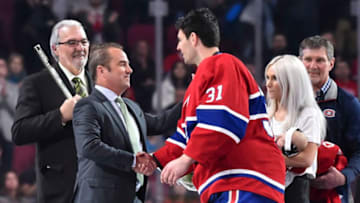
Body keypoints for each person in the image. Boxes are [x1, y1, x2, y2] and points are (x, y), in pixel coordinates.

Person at [152, 8, 286, 203]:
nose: (178, 48)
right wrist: (154, 160)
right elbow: (185, 138)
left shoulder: (221, 64)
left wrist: (186, 159)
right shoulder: (198, 84)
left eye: (180, 40)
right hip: (232, 182)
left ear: (194, 38)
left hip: (242, 179)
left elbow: (223, 122)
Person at [72, 42, 181, 203]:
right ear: (101, 71)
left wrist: (192, 96)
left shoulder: (131, 107)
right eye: (122, 65)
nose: (130, 70)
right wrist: (134, 161)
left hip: (132, 197)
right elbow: (89, 146)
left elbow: (160, 123)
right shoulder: (88, 106)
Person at [11, 19, 93, 203]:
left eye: (84, 42)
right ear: (55, 49)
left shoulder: (100, 83)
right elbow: (20, 131)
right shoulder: (36, 84)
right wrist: (60, 116)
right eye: (72, 42)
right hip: (61, 190)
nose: (80, 48)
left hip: (100, 189)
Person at [299, 35, 360, 203]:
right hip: (295, 192)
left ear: (331, 63)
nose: (313, 66)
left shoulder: (348, 103)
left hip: (335, 195)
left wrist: (343, 177)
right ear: (299, 62)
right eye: (308, 59)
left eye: (320, 60)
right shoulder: (288, 101)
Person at [265, 55, 326, 203]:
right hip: (269, 186)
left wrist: (268, 159)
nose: (268, 84)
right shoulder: (266, 114)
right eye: (267, 78)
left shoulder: (308, 114)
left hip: (296, 190)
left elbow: (307, 159)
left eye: (275, 78)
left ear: (291, 82)